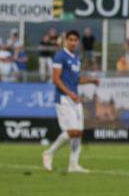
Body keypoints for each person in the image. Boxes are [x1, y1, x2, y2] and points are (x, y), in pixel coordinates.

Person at [42, 30, 99, 173]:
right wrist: (69, 94)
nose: (73, 42)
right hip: (63, 98)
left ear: (78, 42)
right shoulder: (60, 56)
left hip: (75, 98)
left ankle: (73, 164)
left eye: (75, 40)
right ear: (66, 41)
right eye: (70, 40)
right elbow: (56, 79)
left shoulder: (76, 58)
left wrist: (91, 80)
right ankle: (49, 152)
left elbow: (76, 79)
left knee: (78, 133)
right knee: (73, 131)